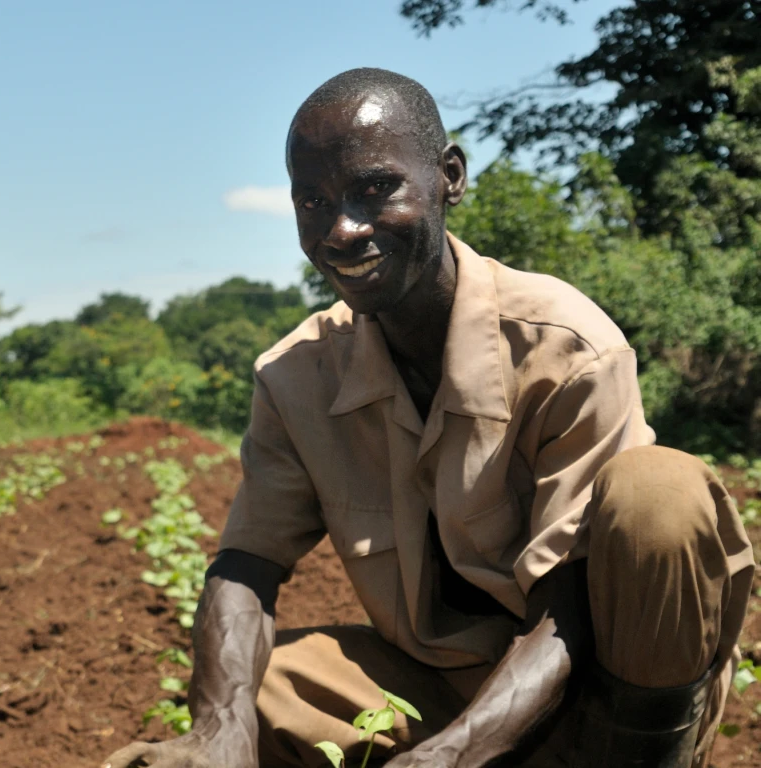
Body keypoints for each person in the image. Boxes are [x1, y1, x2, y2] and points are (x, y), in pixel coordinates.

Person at [101, 68, 753, 768]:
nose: (342, 230)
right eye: (314, 201)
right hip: (448, 689)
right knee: (251, 700)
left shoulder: (565, 348)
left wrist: (448, 758)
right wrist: (220, 729)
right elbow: (246, 564)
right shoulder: (297, 376)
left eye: (374, 189)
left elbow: (565, 614)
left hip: (605, 697)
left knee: (660, 493)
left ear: (450, 177)